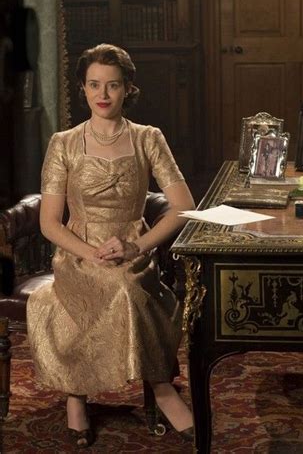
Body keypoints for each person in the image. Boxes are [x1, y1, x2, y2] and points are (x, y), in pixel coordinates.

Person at [26, 43, 195, 448]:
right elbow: (49, 222)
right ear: (83, 89)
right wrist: (91, 252)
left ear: (127, 89)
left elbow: (184, 206)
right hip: (78, 253)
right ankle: (76, 396)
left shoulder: (148, 138)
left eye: (113, 86)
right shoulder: (64, 143)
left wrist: (137, 248)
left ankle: (161, 386)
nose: (103, 95)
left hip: (133, 251)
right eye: (94, 85)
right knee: (117, 286)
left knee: (128, 284)